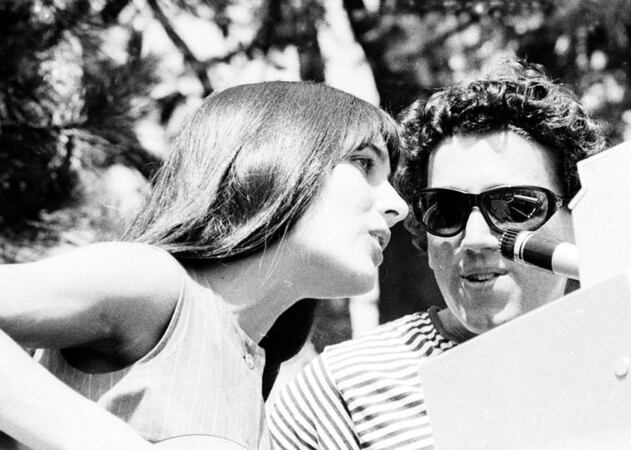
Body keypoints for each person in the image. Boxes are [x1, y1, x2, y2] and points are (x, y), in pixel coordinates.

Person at [0, 81, 409, 449]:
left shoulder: (256, 379)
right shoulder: (155, 282)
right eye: (364, 163)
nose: (398, 206)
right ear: (277, 156)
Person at [266, 61, 606, 449]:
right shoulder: (342, 389)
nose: (475, 239)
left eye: (515, 206)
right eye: (445, 210)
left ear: (579, 217)